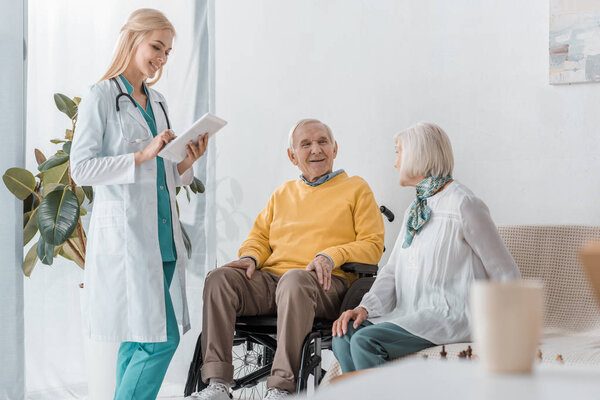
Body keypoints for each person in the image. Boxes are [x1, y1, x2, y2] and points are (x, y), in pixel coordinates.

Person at [190, 119, 385, 400]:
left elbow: (372, 245)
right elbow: (258, 238)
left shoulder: (356, 188)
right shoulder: (282, 194)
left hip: (324, 285)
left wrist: (330, 255)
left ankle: (281, 388)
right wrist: (250, 257)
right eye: (306, 144)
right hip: (274, 282)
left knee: (294, 280)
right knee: (220, 278)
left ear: (335, 148)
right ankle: (218, 386)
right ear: (292, 156)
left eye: (322, 142)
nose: (316, 149)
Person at [70, 9, 208, 399]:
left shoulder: (158, 101)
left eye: (167, 52)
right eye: (156, 47)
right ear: (133, 39)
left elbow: (165, 175)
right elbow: (80, 169)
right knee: (159, 339)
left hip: (162, 238)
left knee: (138, 339)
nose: (162, 58)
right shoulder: (101, 96)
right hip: (128, 238)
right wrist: (141, 156)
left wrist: (187, 161)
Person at [331, 122, 521, 373]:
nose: (395, 162)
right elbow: (392, 270)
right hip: (411, 313)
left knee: (366, 341)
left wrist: (515, 328)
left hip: (451, 316)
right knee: (343, 336)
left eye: (398, 152)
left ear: (418, 155)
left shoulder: (464, 204)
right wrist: (364, 308)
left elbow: (505, 271)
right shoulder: (416, 209)